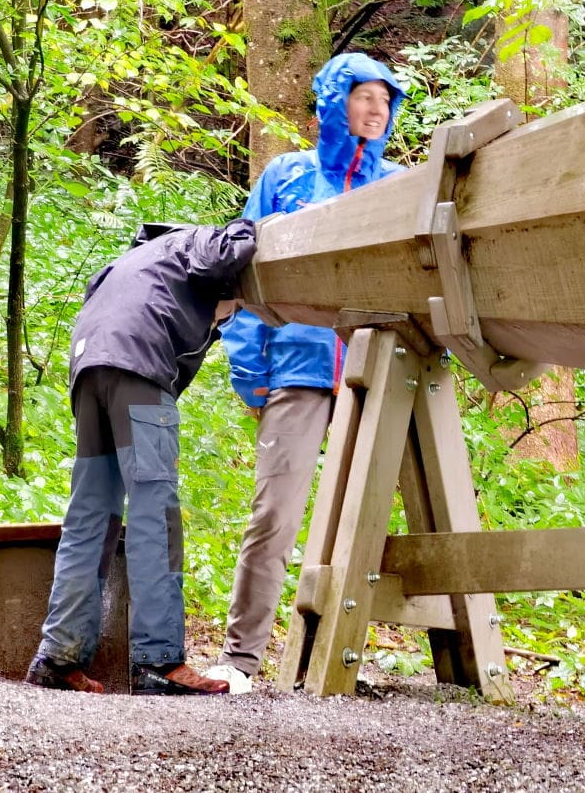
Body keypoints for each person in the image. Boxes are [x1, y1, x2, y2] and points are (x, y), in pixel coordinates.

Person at [205, 53, 407, 693]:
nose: (376, 109)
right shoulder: (286, 175)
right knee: (276, 515)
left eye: (386, 100)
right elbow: (240, 273)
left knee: (360, 521)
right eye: (363, 96)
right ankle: (241, 658)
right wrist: (249, 370)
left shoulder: (399, 182)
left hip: (380, 374)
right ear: (333, 100)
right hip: (296, 368)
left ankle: (329, 659)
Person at [26, 218, 257, 695]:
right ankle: (159, 660)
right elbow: (229, 248)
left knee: (89, 513)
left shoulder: (136, 261)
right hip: (137, 367)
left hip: (90, 368)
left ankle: (59, 657)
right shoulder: (197, 242)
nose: (224, 321)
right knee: (155, 511)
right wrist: (251, 230)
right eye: (230, 312)